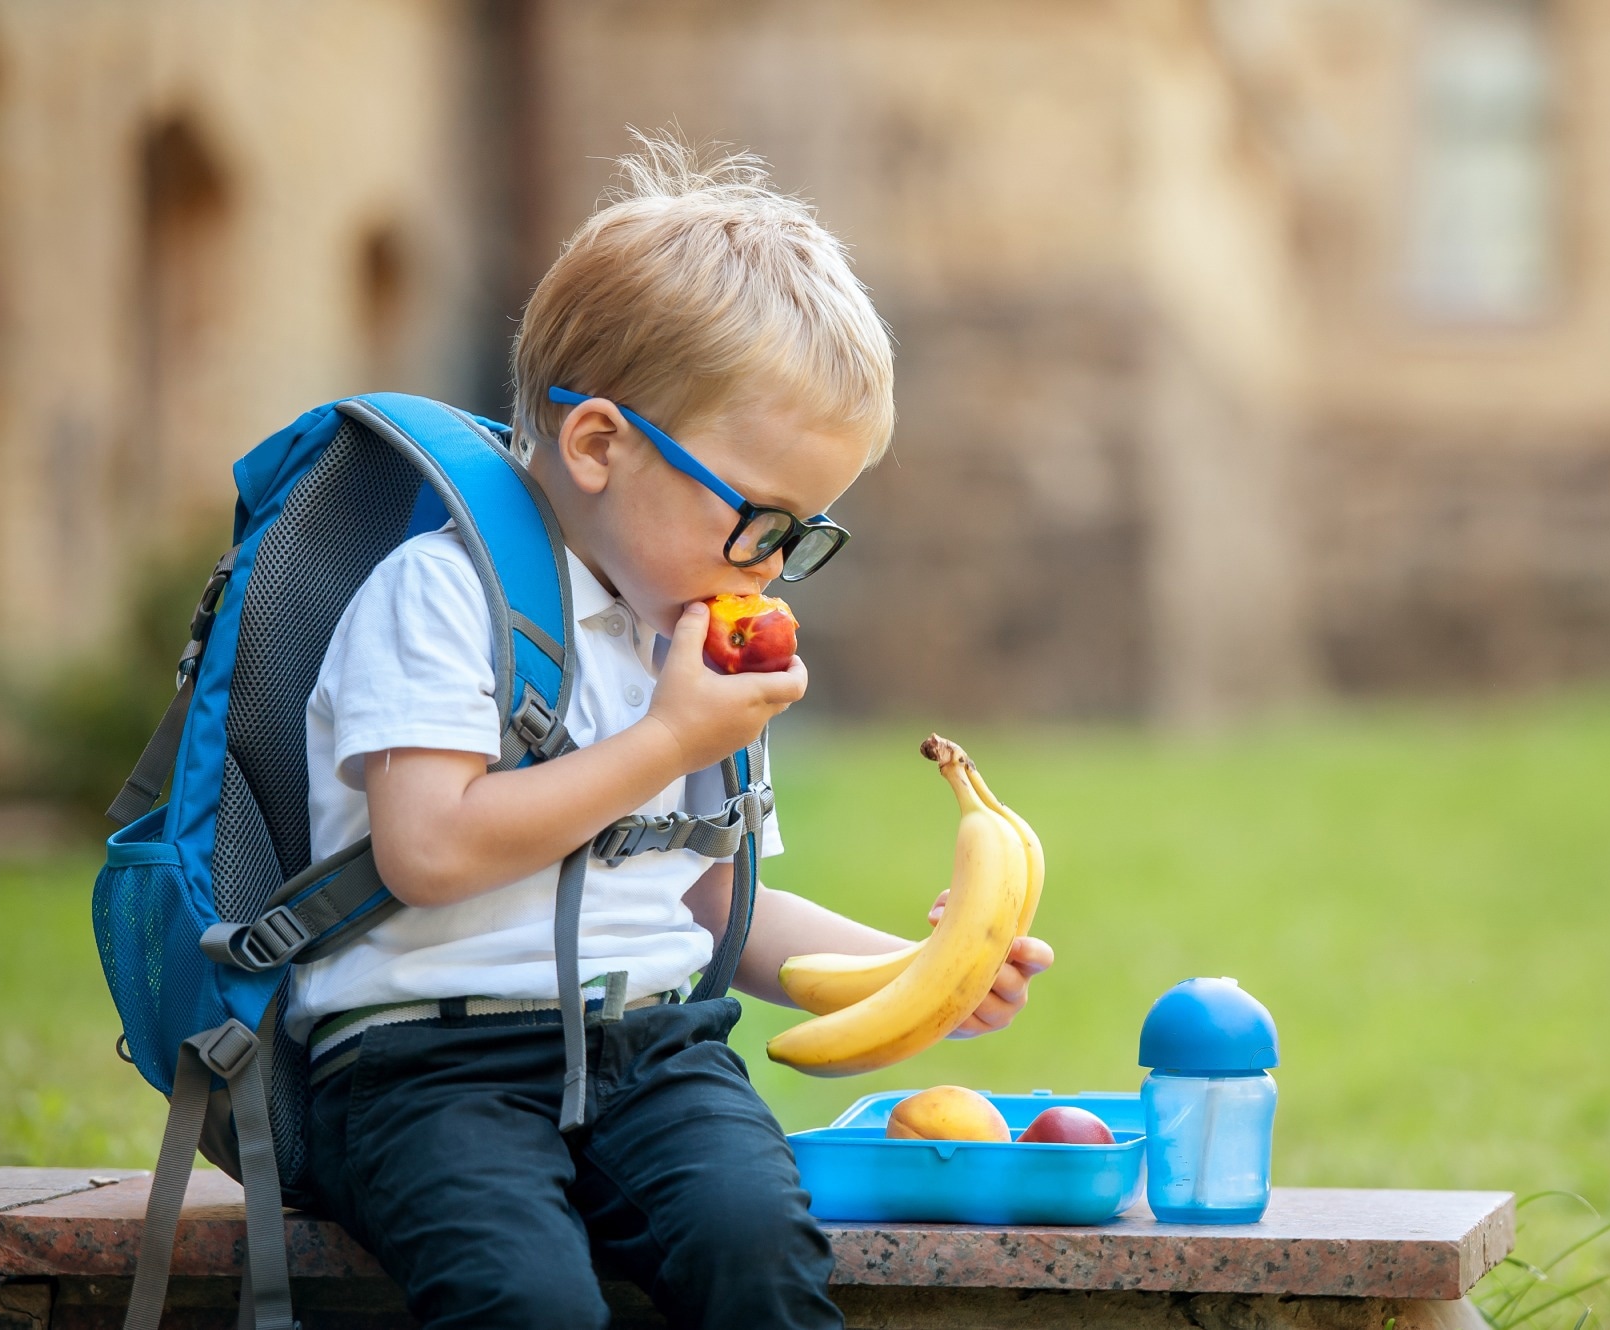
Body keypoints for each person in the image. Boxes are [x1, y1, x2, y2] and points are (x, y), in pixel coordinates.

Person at [283, 134, 1053, 1329]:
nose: (774, 564)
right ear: (598, 446)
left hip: (653, 1052)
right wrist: (663, 742)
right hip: (424, 1069)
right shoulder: (441, 598)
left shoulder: (686, 641)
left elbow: (709, 907)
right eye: (759, 518)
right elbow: (425, 851)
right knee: (526, 1301)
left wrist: (924, 969)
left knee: (759, 1250)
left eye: (803, 532)